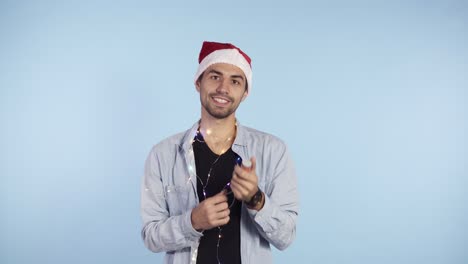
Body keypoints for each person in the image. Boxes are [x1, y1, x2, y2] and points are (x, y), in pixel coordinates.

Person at [140, 41, 299, 264]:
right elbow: (151, 237)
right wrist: (192, 221)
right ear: (198, 82)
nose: (223, 88)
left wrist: (256, 200)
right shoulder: (163, 155)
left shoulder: (273, 151)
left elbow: (286, 237)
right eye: (215, 76)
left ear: (245, 93)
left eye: (235, 81)